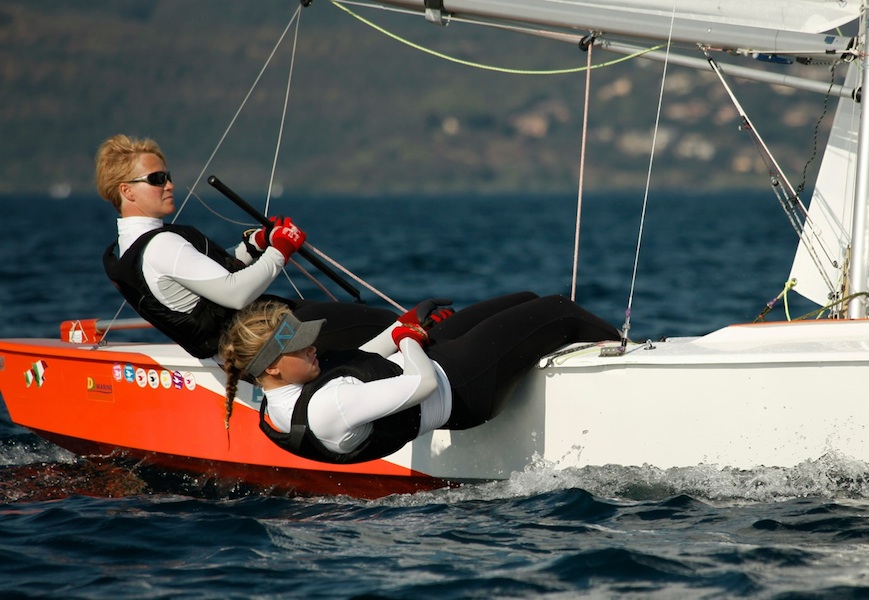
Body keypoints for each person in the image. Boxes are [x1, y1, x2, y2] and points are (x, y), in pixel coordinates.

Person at [219, 292, 621, 464]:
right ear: (271, 367)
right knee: (559, 310)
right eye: (300, 347)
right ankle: (625, 348)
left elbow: (356, 363)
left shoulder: (280, 395)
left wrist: (404, 323)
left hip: (434, 362)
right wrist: (409, 339)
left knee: (524, 300)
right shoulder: (326, 407)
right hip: (464, 385)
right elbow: (423, 385)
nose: (313, 348)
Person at [96, 134, 397, 358]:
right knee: (387, 324)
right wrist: (280, 250)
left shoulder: (126, 250)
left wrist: (255, 245)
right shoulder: (162, 246)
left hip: (245, 339)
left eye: (168, 176)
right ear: (127, 191)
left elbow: (204, 279)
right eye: (157, 179)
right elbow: (235, 293)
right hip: (261, 338)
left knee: (355, 320)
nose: (170, 185)